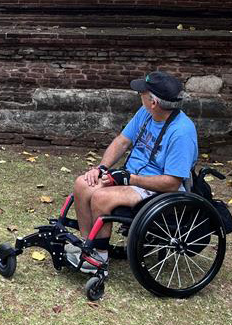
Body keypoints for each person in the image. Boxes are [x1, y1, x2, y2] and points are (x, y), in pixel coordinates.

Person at [67, 71, 198, 272]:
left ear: (153, 102)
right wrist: (101, 168)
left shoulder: (182, 132)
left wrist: (131, 179)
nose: (139, 95)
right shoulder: (145, 113)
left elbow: (172, 182)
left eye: (143, 93)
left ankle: (99, 259)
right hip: (132, 176)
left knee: (101, 197)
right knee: (83, 184)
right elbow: (122, 141)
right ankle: (88, 245)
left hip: (159, 188)